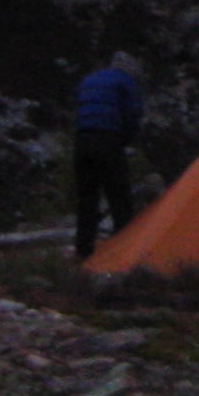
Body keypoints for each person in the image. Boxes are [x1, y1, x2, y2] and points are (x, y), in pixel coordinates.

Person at [74, 51, 144, 259]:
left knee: (87, 199)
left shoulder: (88, 80)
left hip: (82, 140)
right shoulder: (126, 81)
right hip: (108, 139)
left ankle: (83, 251)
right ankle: (124, 250)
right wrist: (127, 139)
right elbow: (133, 113)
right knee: (119, 196)